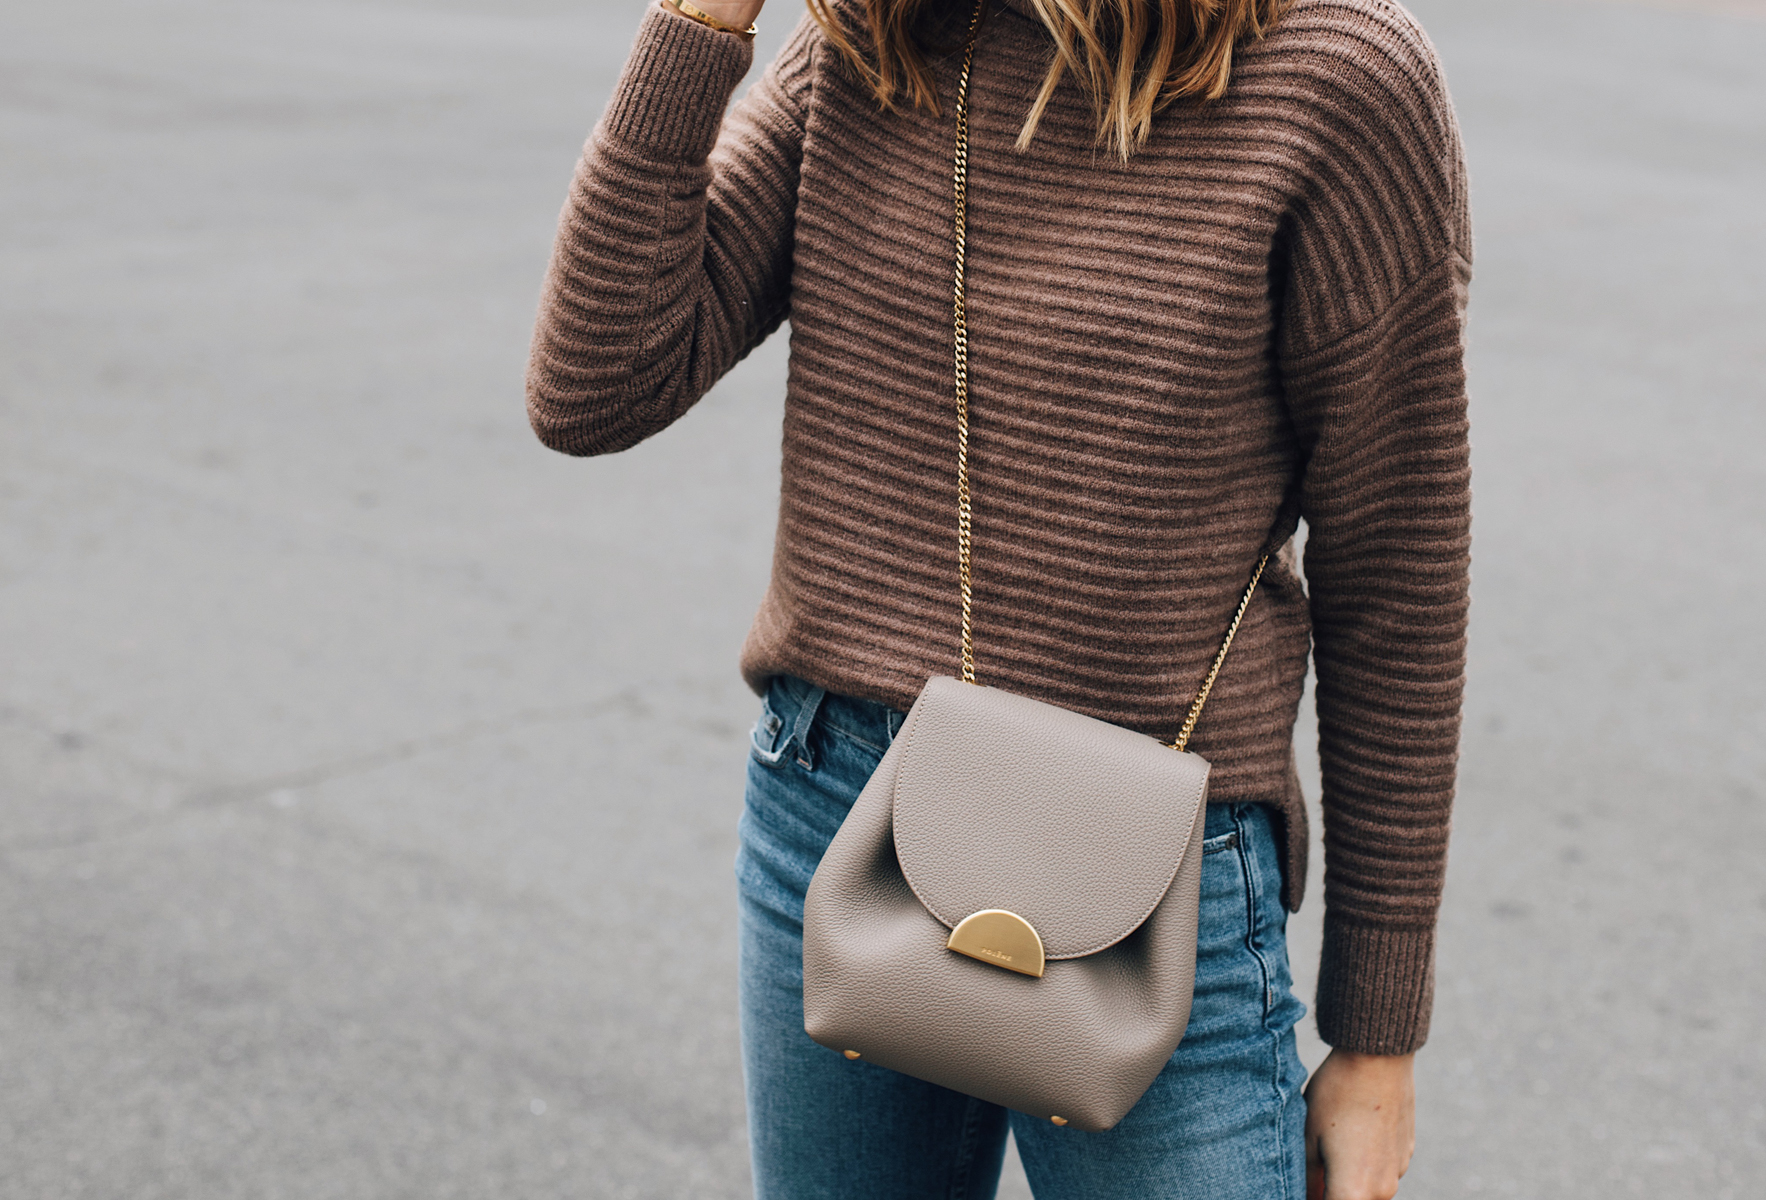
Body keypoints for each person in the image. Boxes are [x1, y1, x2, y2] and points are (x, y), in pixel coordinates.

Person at [525, 0, 1471, 1192]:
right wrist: (694, 25)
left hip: (1155, 872)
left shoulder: (1336, 74)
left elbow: (1398, 578)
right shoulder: (870, 38)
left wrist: (1377, 1039)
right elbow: (595, 386)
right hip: (836, 804)